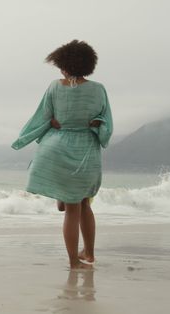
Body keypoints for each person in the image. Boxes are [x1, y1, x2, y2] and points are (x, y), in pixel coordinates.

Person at [12, 40, 113, 269]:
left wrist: (31, 134)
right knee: (84, 204)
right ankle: (88, 253)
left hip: (57, 148)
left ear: (65, 66)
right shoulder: (98, 89)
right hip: (86, 149)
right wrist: (96, 125)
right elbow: (106, 124)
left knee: (70, 207)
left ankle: (73, 262)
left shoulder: (55, 87)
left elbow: (42, 117)